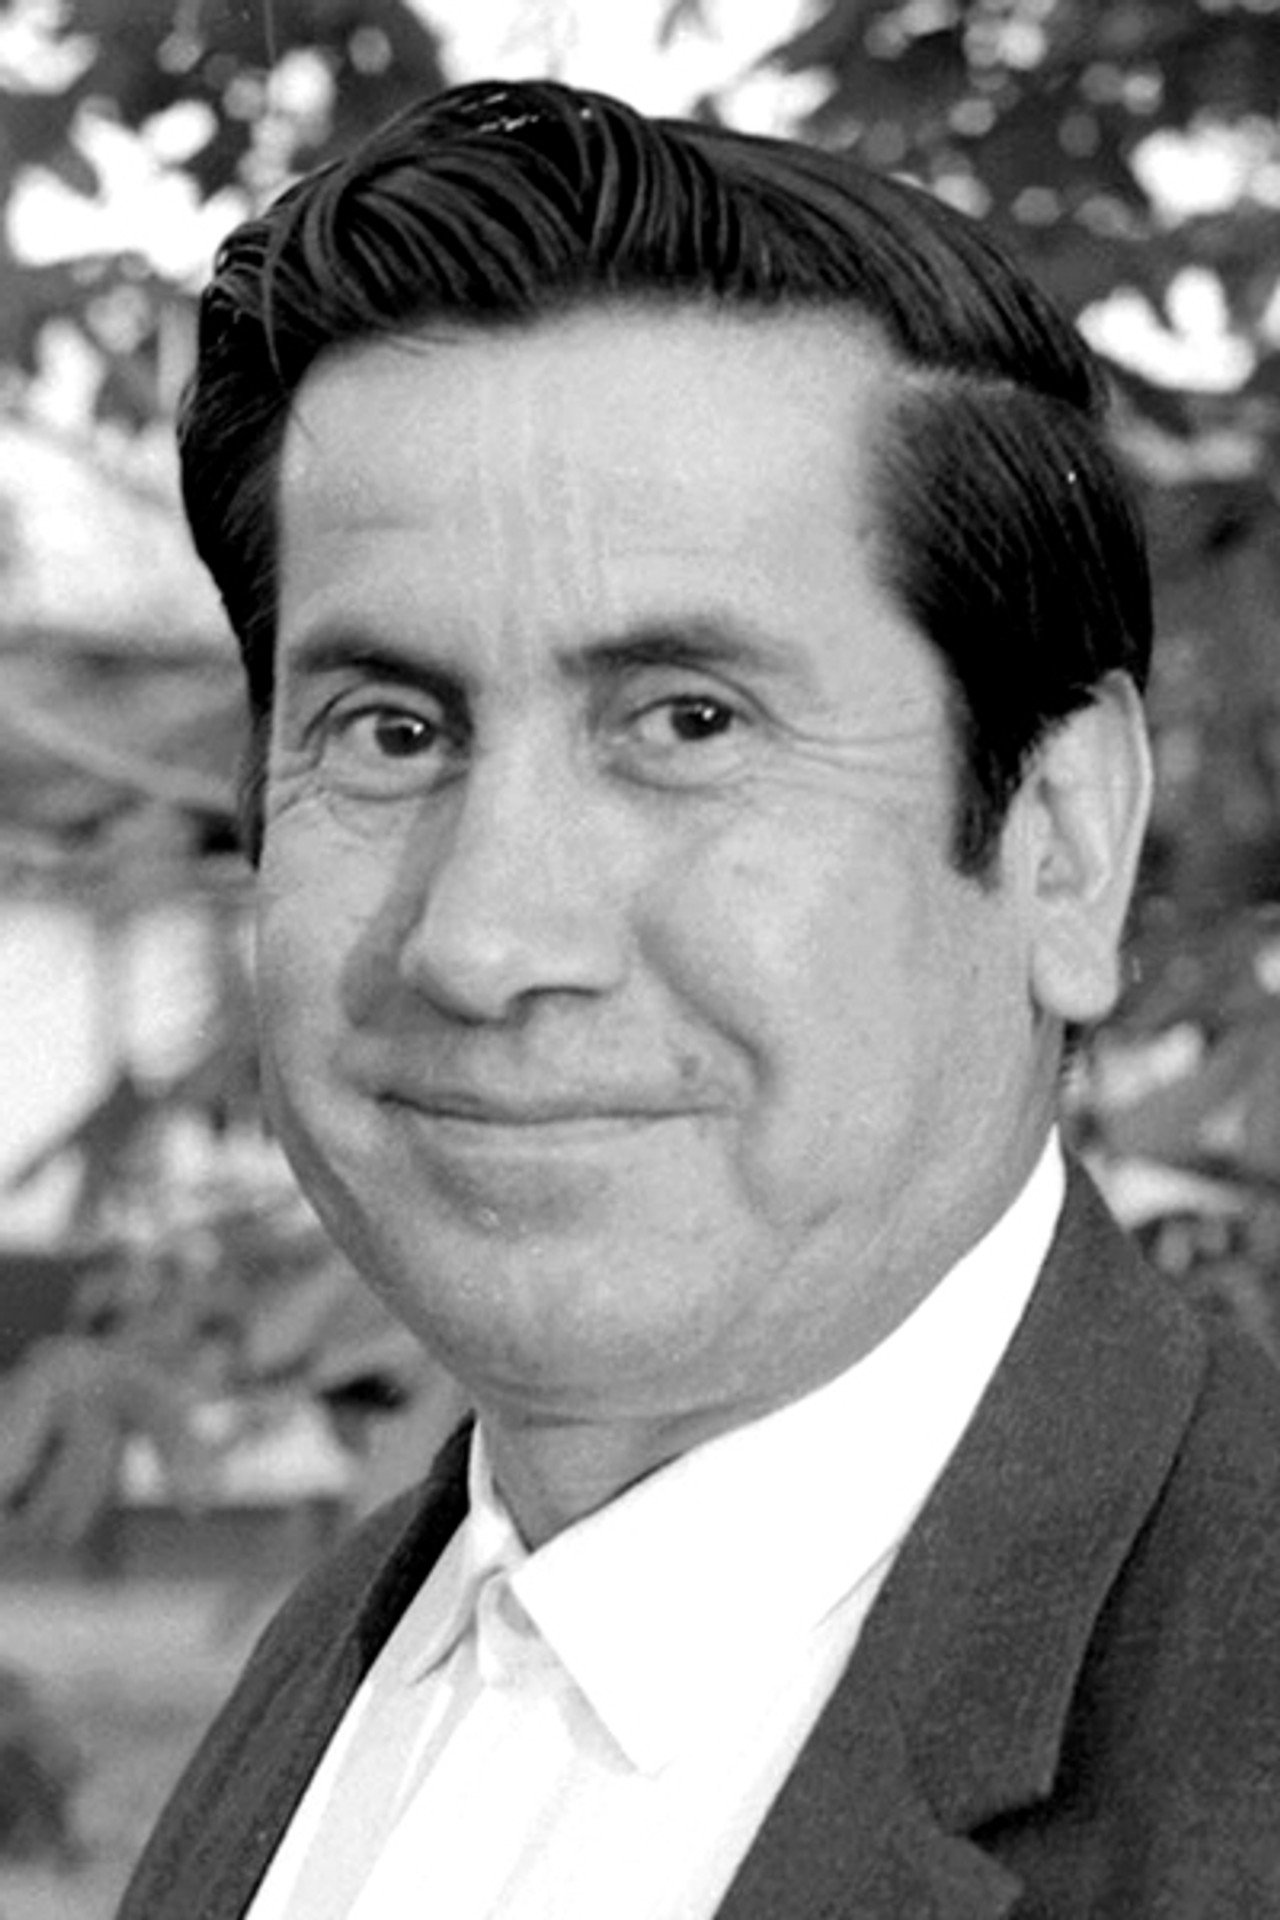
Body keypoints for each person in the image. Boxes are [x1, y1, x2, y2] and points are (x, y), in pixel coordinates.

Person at [118, 78, 1280, 1919]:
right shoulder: (342, 1665)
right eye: (393, 731)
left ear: (1062, 842)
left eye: (687, 722)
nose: (484, 942)